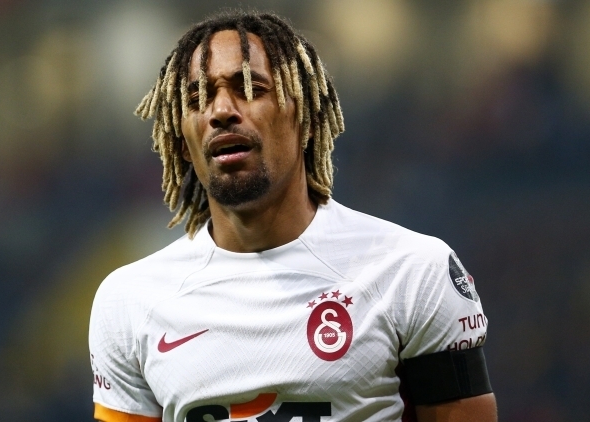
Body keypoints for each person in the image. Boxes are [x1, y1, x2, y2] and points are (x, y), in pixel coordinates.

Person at [89, 10, 497, 422]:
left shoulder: (412, 271)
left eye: (251, 88)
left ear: (306, 117)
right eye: (197, 99)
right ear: (181, 141)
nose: (221, 110)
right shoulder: (129, 301)